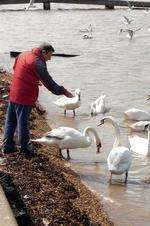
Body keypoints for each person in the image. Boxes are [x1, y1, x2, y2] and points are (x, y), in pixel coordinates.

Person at [2, 42, 73, 157]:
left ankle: (7, 146)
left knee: (11, 120)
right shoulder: (38, 63)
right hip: (24, 96)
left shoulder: (23, 54)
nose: (50, 59)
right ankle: (25, 148)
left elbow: (16, 68)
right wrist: (63, 91)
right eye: (49, 55)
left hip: (14, 91)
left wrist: (32, 79)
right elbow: (49, 82)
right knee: (23, 122)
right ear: (43, 52)